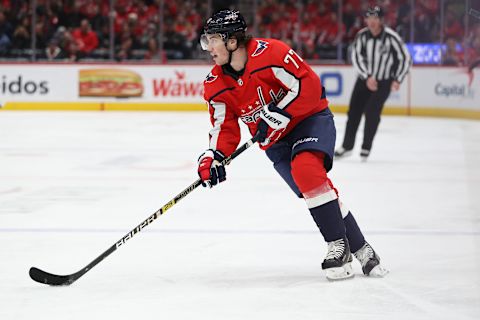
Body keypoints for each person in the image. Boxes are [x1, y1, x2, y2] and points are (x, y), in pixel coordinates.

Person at [196, 9, 388, 280]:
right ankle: (361, 247)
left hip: (308, 121)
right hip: (275, 144)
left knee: (306, 170)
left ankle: (337, 246)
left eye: (214, 38)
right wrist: (214, 156)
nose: (208, 46)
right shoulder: (215, 84)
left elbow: (308, 86)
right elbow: (224, 129)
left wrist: (279, 112)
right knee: (314, 189)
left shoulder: (271, 53)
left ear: (232, 41)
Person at [335, 6, 412, 161]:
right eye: (369, 18)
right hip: (364, 80)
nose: (371, 21)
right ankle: (347, 146)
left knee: (372, 113)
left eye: (375, 18)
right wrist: (367, 76)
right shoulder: (362, 36)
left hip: (384, 81)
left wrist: (398, 78)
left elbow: (405, 58)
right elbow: (356, 57)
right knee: (353, 112)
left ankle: (366, 147)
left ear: (381, 20)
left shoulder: (391, 37)